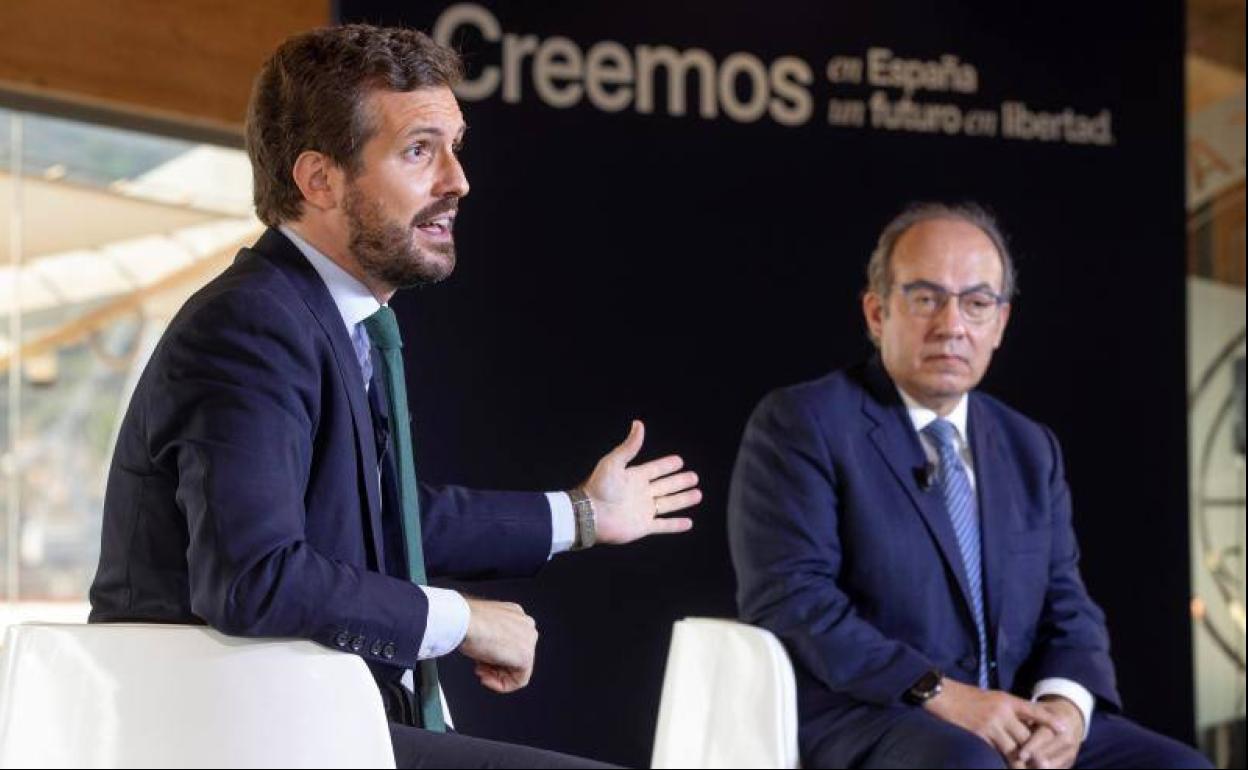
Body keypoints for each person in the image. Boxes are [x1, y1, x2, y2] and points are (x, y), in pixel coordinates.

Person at [89, 25, 701, 769]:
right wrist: (459, 620)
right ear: (319, 181)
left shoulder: (326, 318)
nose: (458, 180)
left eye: (455, 146)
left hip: (309, 723)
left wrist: (583, 515)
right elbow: (253, 578)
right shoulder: (250, 324)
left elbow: (385, 519)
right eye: (419, 150)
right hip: (235, 738)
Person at [727, 202, 1210, 769]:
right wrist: (941, 693)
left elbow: (1068, 606)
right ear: (877, 312)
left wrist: (1066, 710)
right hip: (870, 712)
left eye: (977, 304)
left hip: (1009, 713)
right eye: (926, 298)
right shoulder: (804, 423)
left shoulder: (1030, 446)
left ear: (999, 323)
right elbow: (793, 600)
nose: (952, 325)